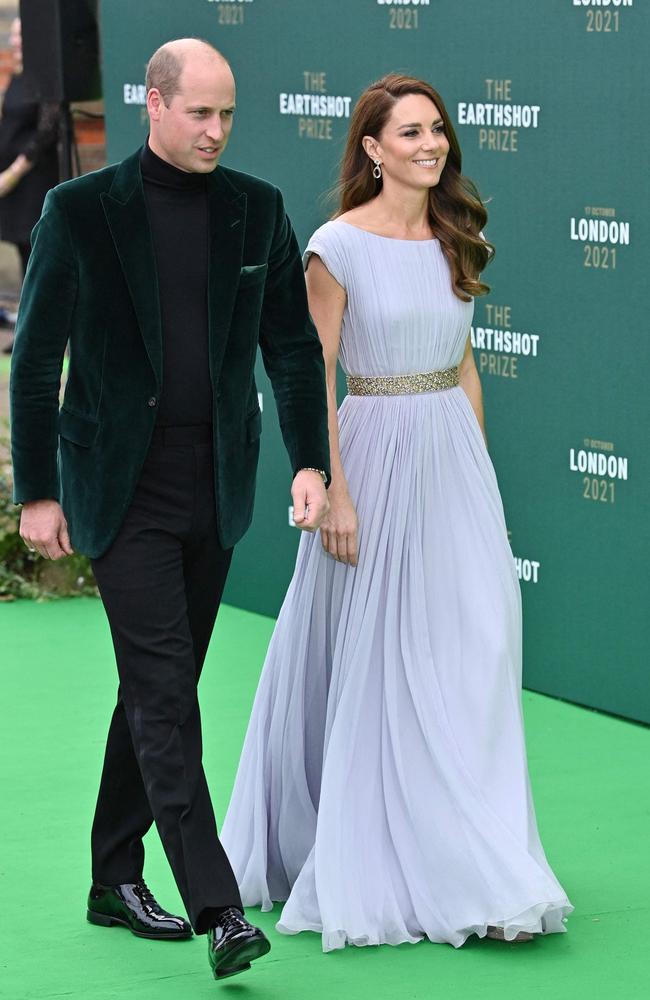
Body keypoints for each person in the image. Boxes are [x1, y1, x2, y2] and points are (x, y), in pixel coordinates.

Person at [222, 74, 573, 951]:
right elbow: (318, 372)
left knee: (475, 650)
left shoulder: (457, 234)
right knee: (376, 659)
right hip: (370, 455)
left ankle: (477, 857)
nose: (431, 144)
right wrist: (333, 487)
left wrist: (478, 473)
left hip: (450, 457)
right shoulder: (336, 248)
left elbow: (463, 366)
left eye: (438, 130)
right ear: (372, 149)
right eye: (410, 132)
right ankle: (380, 853)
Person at [10, 39, 330, 982]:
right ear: (153, 103)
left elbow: (291, 347)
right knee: (163, 690)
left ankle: (113, 875)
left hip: (214, 483)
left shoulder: (256, 209)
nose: (216, 131)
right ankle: (219, 907)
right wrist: (36, 490)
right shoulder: (80, 210)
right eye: (200, 113)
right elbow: (34, 358)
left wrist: (308, 461)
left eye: (228, 115)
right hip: (120, 485)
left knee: (158, 685)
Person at [0, 17, 60, 353]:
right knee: (24, 255)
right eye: (14, 36)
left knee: (39, 254)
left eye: (23, 36)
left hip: (31, 181)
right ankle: (28, 331)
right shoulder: (17, 77)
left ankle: (45, 334)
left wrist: (13, 172)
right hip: (13, 185)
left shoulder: (45, 78)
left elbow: (46, 132)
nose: (17, 42)